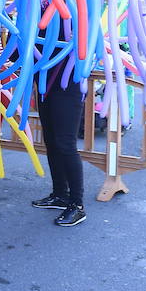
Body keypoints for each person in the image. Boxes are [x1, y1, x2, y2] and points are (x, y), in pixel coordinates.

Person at [32, 53, 89, 227]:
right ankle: (60, 195)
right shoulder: (35, 24)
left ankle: (76, 204)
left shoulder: (73, 24)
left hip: (68, 84)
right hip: (45, 85)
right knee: (52, 142)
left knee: (65, 144)